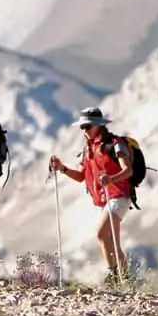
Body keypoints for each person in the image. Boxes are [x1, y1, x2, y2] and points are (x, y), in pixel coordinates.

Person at [48, 107, 133, 287]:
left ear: (98, 125)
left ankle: (116, 277)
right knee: (111, 241)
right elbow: (81, 177)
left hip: (119, 195)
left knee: (102, 234)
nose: (84, 131)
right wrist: (62, 168)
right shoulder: (88, 150)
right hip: (104, 199)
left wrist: (111, 179)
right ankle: (125, 281)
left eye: (87, 127)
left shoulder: (114, 144)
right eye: (82, 128)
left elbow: (128, 171)